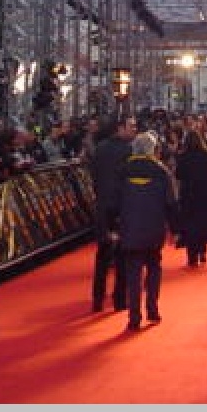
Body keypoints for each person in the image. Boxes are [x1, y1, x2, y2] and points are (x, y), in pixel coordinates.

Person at [110, 132, 176, 330]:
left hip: (129, 227)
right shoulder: (161, 172)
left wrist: (113, 227)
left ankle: (134, 317)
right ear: (152, 150)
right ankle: (153, 309)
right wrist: (175, 228)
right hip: (154, 227)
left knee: (133, 273)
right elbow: (171, 203)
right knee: (154, 267)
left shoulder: (122, 171)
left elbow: (113, 203)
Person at [88, 116, 136, 313]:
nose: (135, 129)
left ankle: (97, 299)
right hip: (121, 206)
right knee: (122, 256)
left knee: (102, 255)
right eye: (131, 126)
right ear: (120, 128)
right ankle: (119, 300)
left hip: (102, 205)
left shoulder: (100, 148)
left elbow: (94, 175)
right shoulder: (128, 150)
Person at [174, 129, 207, 267]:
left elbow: (178, 175)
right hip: (205, 195)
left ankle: (191, 256)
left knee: (190, 226)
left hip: (188, 196)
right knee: (203, 223)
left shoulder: (182, 157)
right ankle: (202, 251)